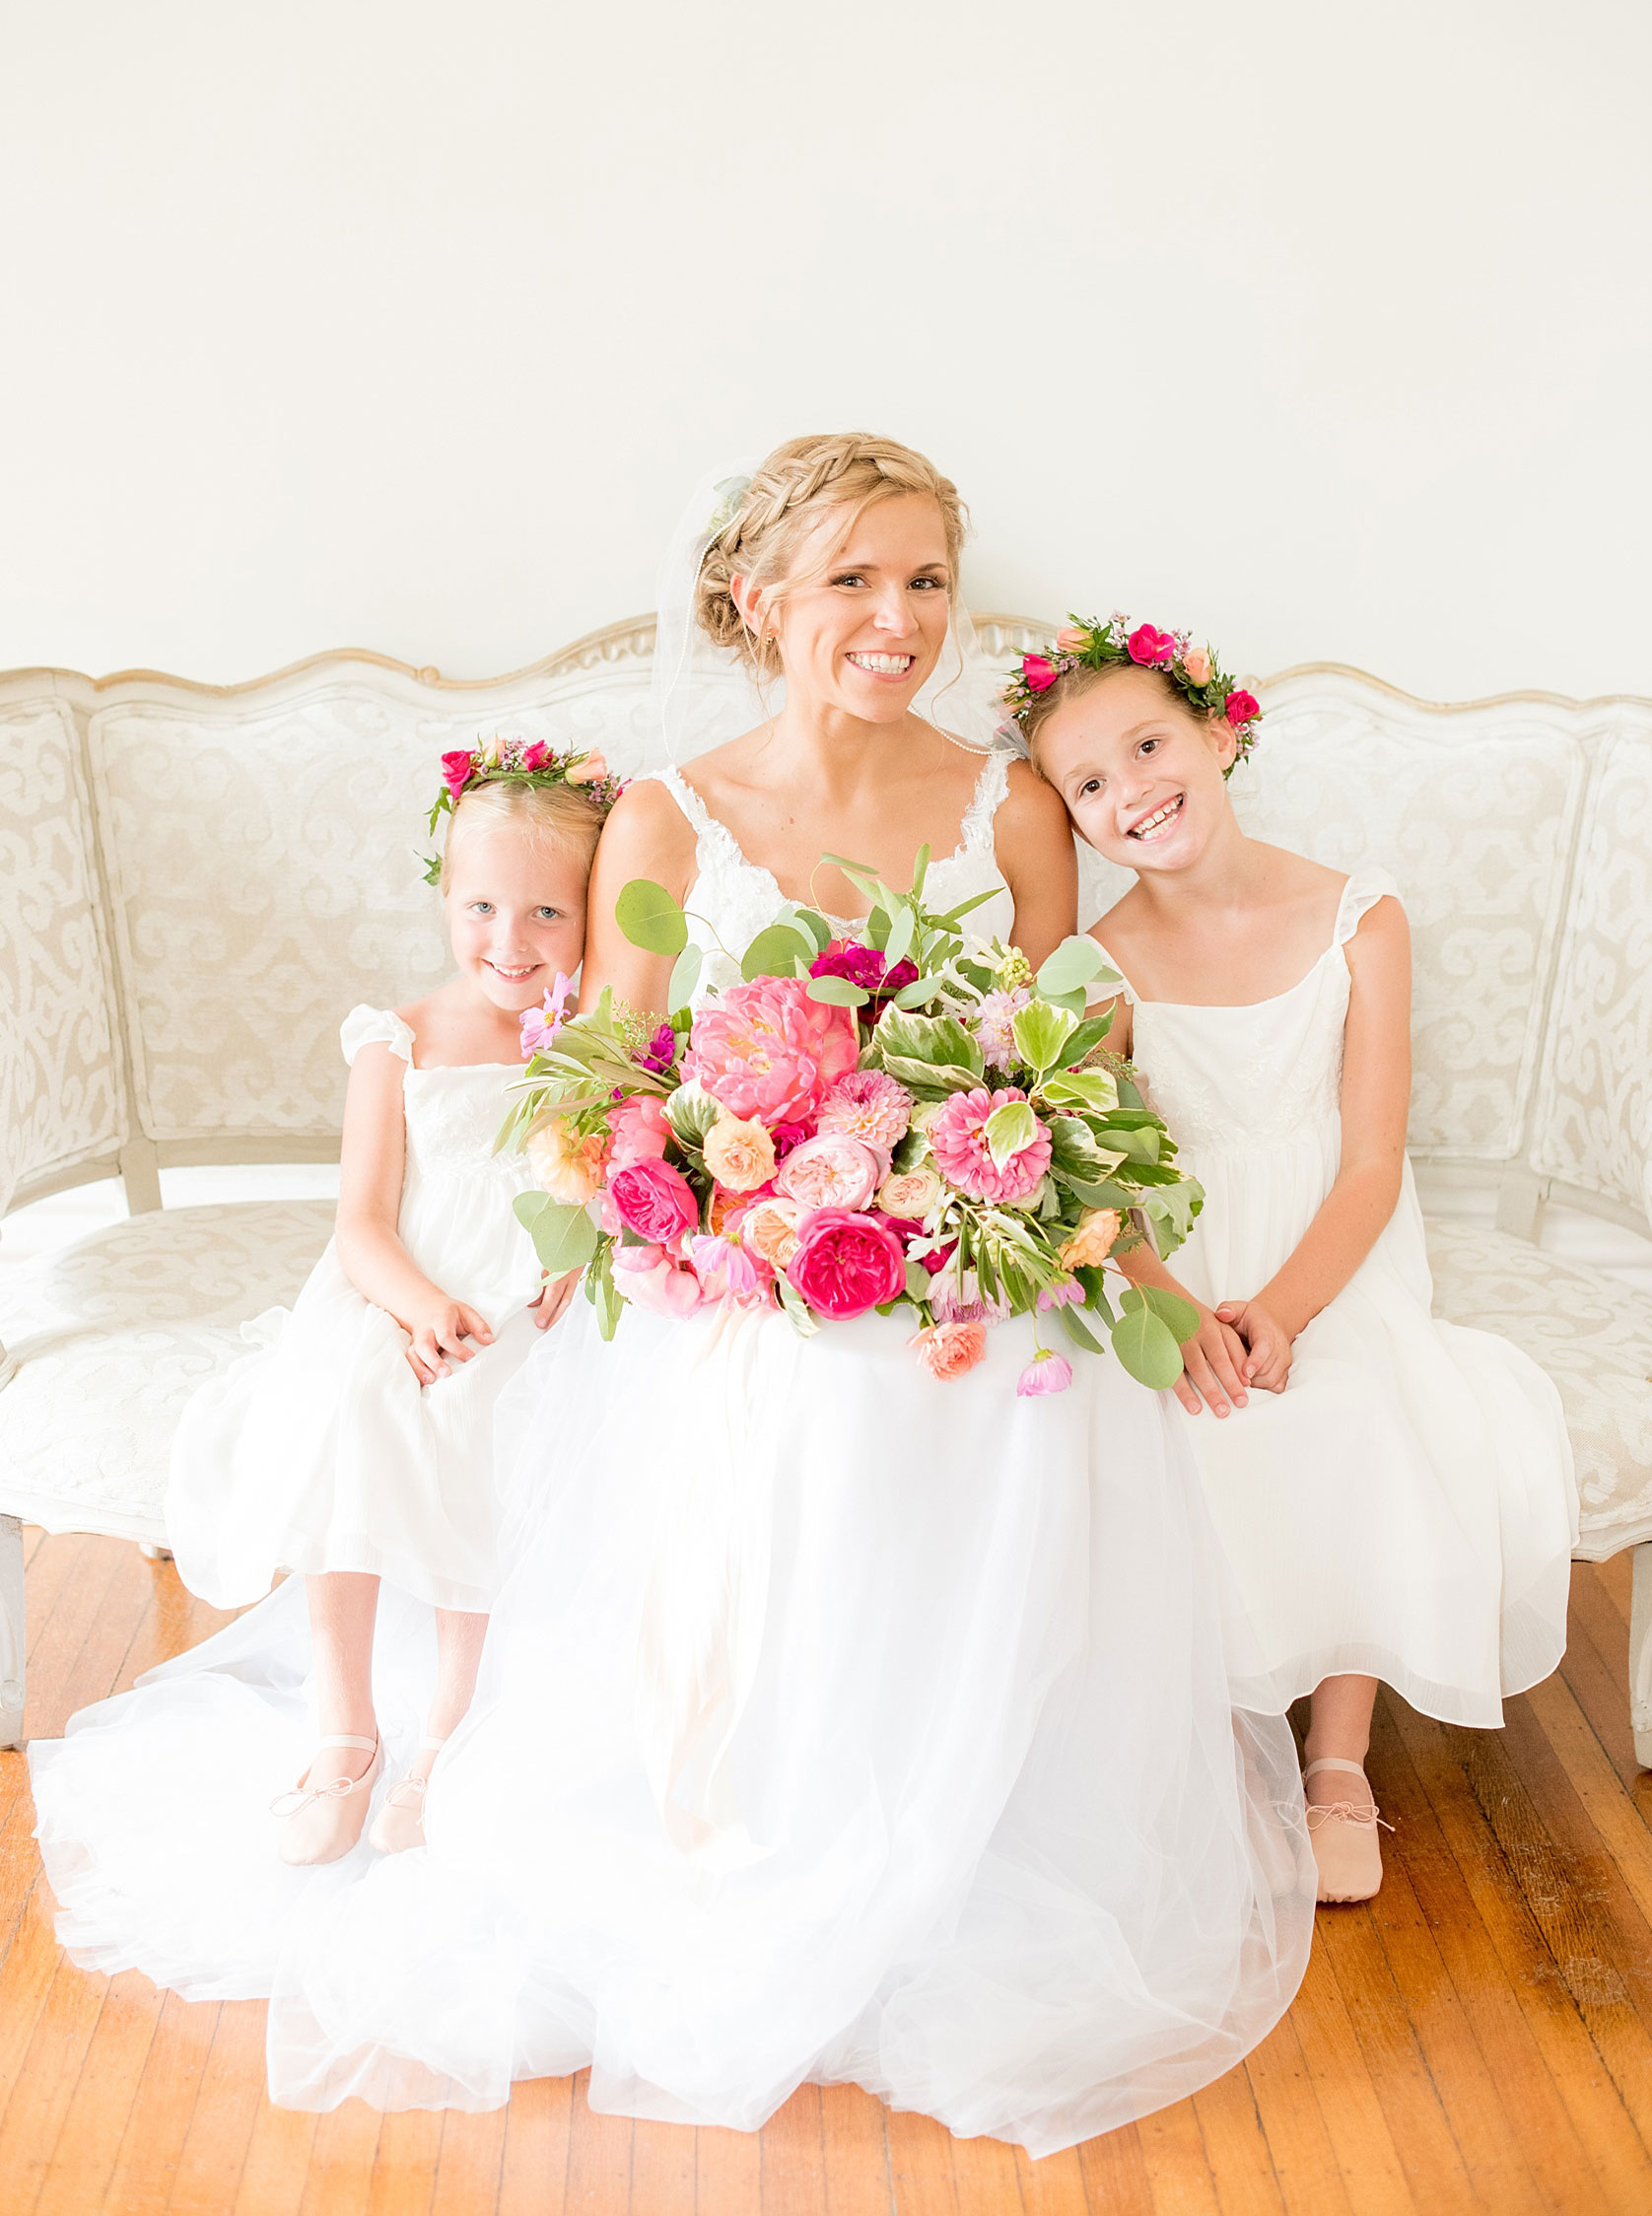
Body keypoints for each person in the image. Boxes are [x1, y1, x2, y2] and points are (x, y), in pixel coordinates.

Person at [254, 436, 1315, 2154]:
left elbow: (1077, 1055)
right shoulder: (672, 813)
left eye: (924, 583)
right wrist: (719, 1214)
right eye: (853, 580)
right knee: (805, 1393)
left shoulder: (1011, 801)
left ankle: (955, 1828)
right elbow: (598, 1089)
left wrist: (1048, 1202)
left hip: (983, 1254)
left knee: (971, 1391)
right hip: (753, 1269)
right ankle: (756, 1823)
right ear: (759, 599)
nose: (897, 619)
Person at [1016, 616, 1579, 1902]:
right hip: (1180, 1245)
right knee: (1164, 1419)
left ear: (1221, 733)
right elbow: (1108, 1174)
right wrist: (1164, 1299)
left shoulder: (1358, 914)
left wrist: (1282, 1306)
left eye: (1149, 745)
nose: (1131, 792)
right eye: (1089, 784)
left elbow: (1374, 1158)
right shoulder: (1098, 968)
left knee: (1361, 1402)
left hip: (1334, 1242)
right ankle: (1212, 1726)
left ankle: (1336, 1755)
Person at [31, 749, 610, 1907]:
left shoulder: (593, 1034)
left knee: (494, 1410)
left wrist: (578, 1243)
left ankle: (452, 1717)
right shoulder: (397, 1038)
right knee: (357, 1402)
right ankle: (344, 1719)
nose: (512, 937)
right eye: (481, 906)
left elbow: (611, 1174)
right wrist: (418, 1304)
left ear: (592, 909)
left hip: (521, 1294)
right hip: (402, 1283)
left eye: (548, 909)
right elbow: (357, 1222)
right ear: (443, 898)